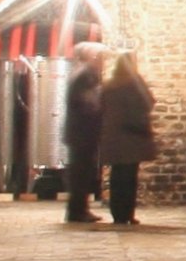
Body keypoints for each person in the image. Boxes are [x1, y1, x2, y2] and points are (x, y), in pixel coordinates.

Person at [97, 51, 156, 226]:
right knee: (129, 177)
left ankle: (117, 215)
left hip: (113, 136)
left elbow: (98, 108)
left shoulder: (108, 85)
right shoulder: (135, 83)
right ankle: (128, 214)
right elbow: (149, 102)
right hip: (132, 135)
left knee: (116, 177)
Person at [61, 57, 103, 224]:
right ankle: (77, 211)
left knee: (81, 174)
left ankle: (79, 209)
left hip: (79, 133)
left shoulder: (80, 74)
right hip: (82, 133)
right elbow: (89, 103)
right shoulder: (85, 76)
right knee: (80, 174)